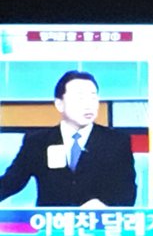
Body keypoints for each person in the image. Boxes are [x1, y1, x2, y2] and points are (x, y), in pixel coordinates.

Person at [0, 70, 137, 207]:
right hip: (51, 220)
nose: (88, 105)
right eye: (80, 98)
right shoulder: (38, 141)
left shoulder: (116, 141)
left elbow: (127, 190)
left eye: (93, 97)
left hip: (98, 219)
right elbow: (11, 182)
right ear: (59, 104)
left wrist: (104, 207)